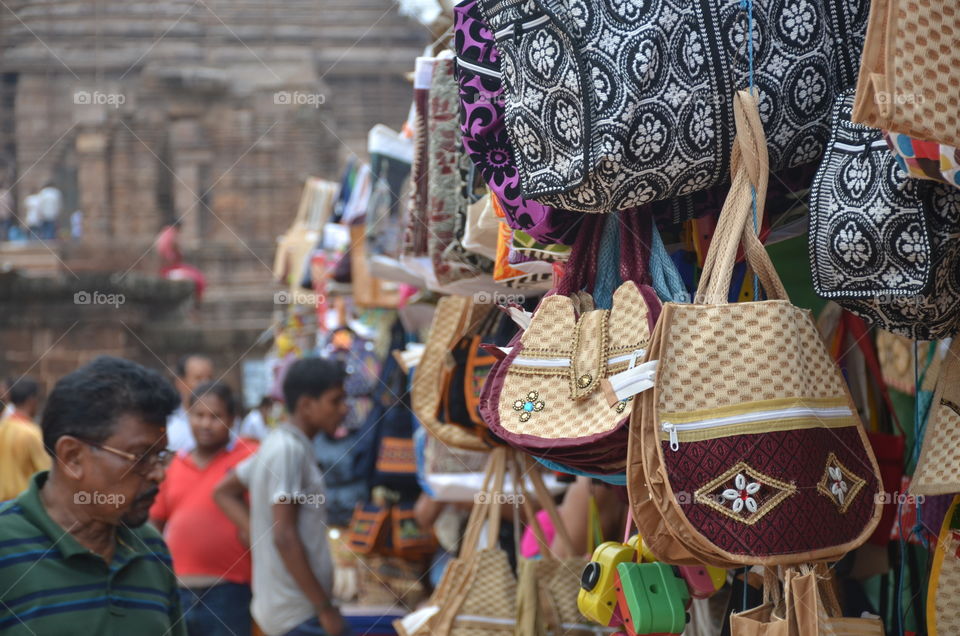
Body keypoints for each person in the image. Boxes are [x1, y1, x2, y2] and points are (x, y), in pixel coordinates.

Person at [0, 356, 185, 635]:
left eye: (161, 456)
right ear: (72, 457)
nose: (158, 474)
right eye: (140, 457)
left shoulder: (150, 549)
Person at [215, 358, 350, 636]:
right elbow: (284, 536)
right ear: (306, 405)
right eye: (335, 401)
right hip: (297, 613)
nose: (343, 409)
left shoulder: (277, 444)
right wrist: (324, 607)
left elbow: (224, 492)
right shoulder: (287, 450)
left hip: (288, 610)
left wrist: (255, 530)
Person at [150, 382, 259, 636]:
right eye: (199, 415)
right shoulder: (174, 466)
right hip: (178, 591)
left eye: (215, 416)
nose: (206, 424)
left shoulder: (248, 458)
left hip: (230, 591)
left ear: (232, 419)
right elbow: (155, 523)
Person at [0, 377, 49, 501]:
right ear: (32, 401)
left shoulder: (3, 426)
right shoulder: (32, 433)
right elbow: (47, 474)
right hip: (21, 505)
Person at [166, 354, 214, 452]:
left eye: (209, 378)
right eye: (198, 379)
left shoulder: (225, 424)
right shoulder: (168, 428)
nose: (206, 385)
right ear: (180, 383)